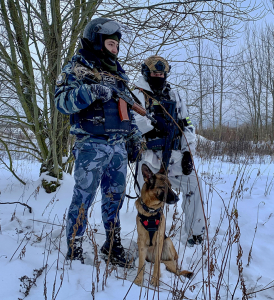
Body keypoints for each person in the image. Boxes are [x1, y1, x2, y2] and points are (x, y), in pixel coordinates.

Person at [55, 18, 143, 266]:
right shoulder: (77, 66)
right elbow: (61, 101)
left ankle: (111, 245)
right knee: (83, 198)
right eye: (111, 44)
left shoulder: (117, 72)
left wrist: (134, 137)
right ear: (96, 40)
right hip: (91, 143)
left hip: (118, 146)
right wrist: (90, 92)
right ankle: (74, 247)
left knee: (115, 199)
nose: (115, 49)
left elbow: (127, 109)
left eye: (117, 46)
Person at [132, 55, 205, 246]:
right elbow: (133, 124)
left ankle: (195, 234)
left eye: (162, 73)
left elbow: (187, 125)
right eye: (155, 73)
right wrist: (154, 125)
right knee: (149, 198)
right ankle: (150, 240)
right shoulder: (137, 94)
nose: (159, 76)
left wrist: (188, 152)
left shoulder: (175, 96)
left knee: (194, 187)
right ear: (146, 73)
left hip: (174, 157)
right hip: (149, 159)